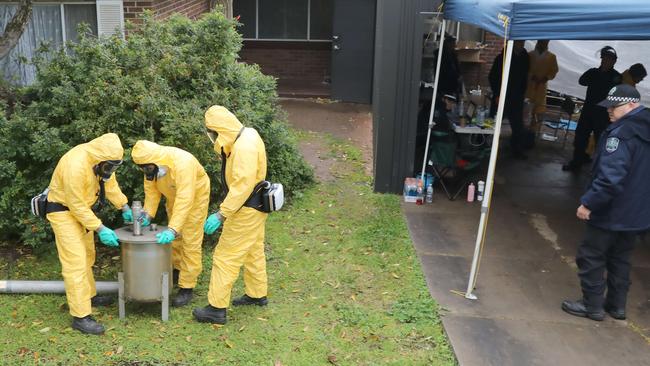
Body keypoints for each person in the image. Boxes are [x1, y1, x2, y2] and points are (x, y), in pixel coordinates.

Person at [562, 84, 650, 321]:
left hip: (612, 210)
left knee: (591, 256)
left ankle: (592, 306)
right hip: (635, 214)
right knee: (620, 258)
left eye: (615, 106)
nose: (609, 110)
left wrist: (589, 203)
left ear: (632, 105)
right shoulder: (645, 129)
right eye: (608, 106)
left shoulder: (620, 135)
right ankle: (617, 305)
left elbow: (611, 179)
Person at [46, 133, 131, 335]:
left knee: (88, 257)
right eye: (109, 166)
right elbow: (75, 205)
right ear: (99, 160)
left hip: (83, 214)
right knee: (75, 263)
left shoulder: (102, 162)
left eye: (114, 166)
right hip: (63, 212)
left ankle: (89, 295)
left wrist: (124, 206)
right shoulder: (75, 165)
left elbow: (109, 185)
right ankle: (81, 316)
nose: (111, 170)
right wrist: (100, 228)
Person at [193, 106, 269, 325]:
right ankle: (257, 294)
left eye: (213, 132)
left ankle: (216, 308)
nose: (213, 137)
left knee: (225, 257)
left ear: (221, 129)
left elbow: (242, 186)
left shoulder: (243, 148)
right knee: (253, 250)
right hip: (256, 206)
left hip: (244, 209)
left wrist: (221, 214)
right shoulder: (247, 134)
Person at [131, 140, 210, 307]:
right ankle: (177, 270)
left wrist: (173, 228)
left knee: (189, 239)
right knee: (175, 239)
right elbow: (151, 192)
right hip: (174, 197)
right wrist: (148, 213)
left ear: (157, 161)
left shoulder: (183, 163)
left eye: (148, 168)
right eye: (143, 168)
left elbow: (185, 197)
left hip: (195, 198)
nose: (146, 171)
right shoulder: (151, 166)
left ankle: (187, 286)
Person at [563, 46, 622, 172]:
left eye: (610, 60)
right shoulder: (593, 72)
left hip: (602, 114)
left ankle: (600, 170)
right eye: (605, 59)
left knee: (601, 142)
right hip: (588, 112)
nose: (606, 62)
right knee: (580, 139)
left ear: (614, 61)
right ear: (601, 60)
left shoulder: (616, 77)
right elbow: (582, 81)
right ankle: (576, 164)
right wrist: (595, 73)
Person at [489, 40, 530, 159]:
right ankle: (486, 146)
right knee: (492, 122)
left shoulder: (525, 57)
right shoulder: (501, 58)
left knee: (518, 125)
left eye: (522, 43)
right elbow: (493, 77)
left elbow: (525, 76)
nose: (521, 45)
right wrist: (497, 94)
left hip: (517, 96)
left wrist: (523, 92)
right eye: (518, 43)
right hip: (502, 94)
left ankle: (516, 149)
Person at [526, 40, 559, 134]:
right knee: (527, 108)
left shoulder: (552, 57)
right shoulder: (530, 55)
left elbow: (554, 70)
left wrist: (546, 78)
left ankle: (533, 132)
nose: (542, 44)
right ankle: (523, 130)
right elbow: (525, 68)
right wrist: (531, 76)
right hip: (529, 85)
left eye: (545, 42)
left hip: (541, 87)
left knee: (538, 110)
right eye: (541, 42)